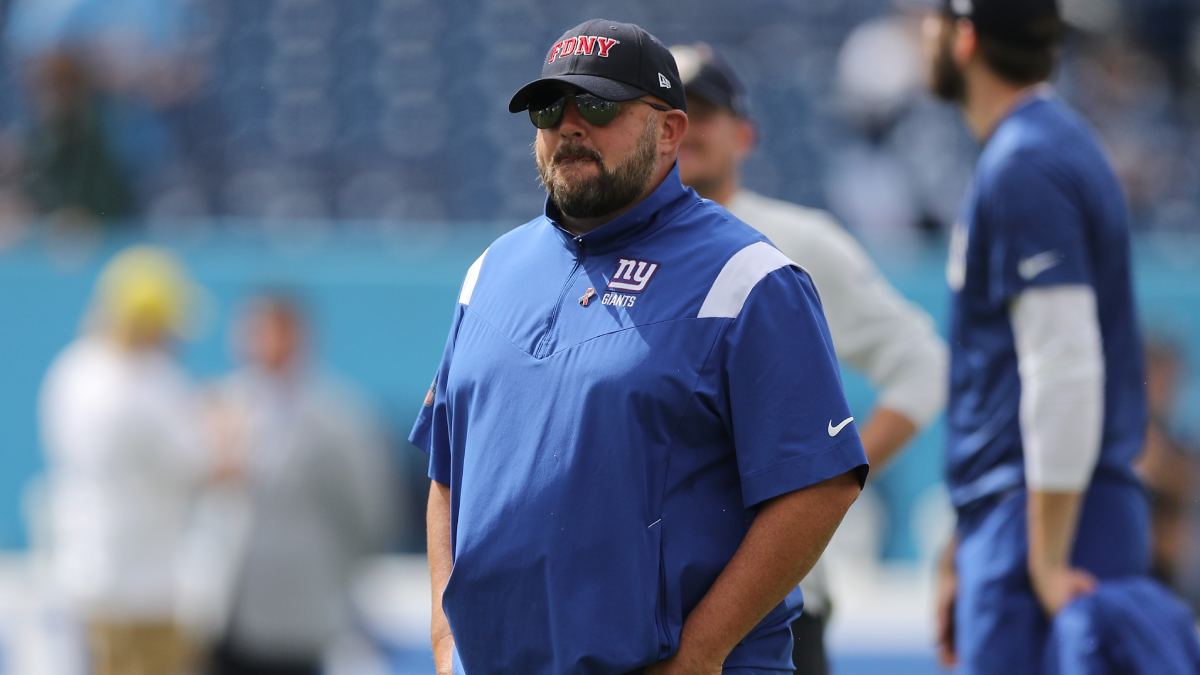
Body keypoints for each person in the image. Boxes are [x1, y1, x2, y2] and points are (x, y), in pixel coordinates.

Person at [411, 20, 868, 675]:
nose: (569, 126)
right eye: (549, 109)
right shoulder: (490, 271)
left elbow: (821, 483)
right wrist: (444, 641)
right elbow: (446, 473)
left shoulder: (746, 277)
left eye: (597, 105)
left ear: (669, 132)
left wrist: (701, 653)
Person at [672, 43, 949, 675]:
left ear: (745, 134)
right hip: (646, 600)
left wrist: (832, 483)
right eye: (671, 112)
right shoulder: (609, 250)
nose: (686, 128)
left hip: (780, 603)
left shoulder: (796, 241)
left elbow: (921, 363)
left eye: (704, 112)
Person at [927, 0, 1153, 672]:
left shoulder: (1026, 160)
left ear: (965, 38)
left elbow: (1064, 367)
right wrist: (961, 544)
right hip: (1032, 513)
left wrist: (1045, 558)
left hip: (1047, 520)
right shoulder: (1044, 144)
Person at [39, 246, 214, 675]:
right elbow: (206, 466)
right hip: (146, 586)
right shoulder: (153, 385)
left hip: (83, 572)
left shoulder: (71, 370)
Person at [207, 294, 395, 675]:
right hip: (221, 606)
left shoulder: (337, 417)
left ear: (297, 337)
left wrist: (330, 576)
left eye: (270, 331)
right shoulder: (223, 405)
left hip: (296, 613)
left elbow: (369, 511)